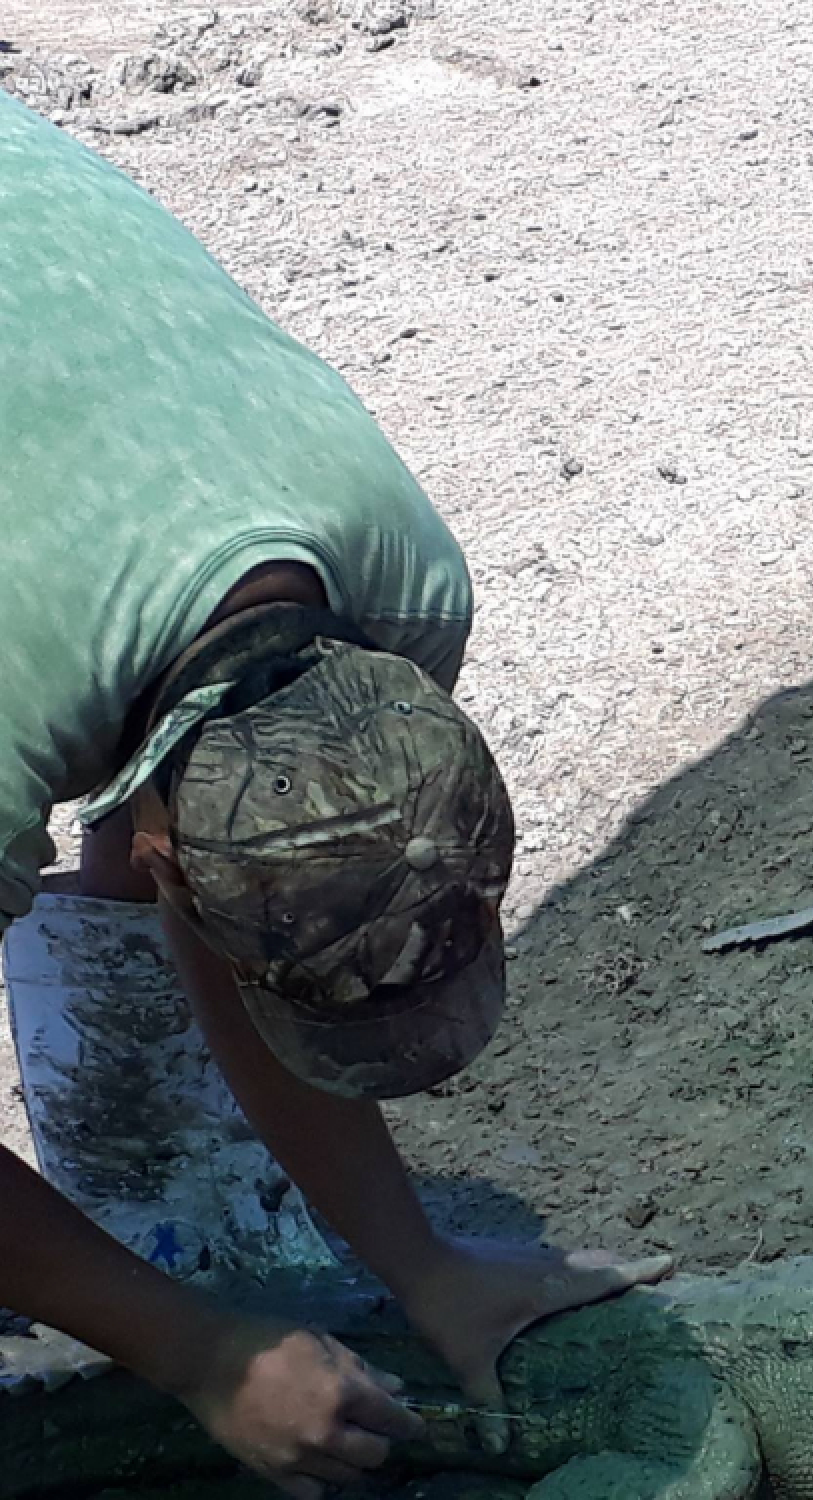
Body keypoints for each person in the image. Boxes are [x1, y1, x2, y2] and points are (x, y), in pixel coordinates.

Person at [0, 89, 669, 1498]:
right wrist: (192, 1351)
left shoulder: (401, 594)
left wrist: (418, 1264)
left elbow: (210, 865)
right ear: (174, 855)